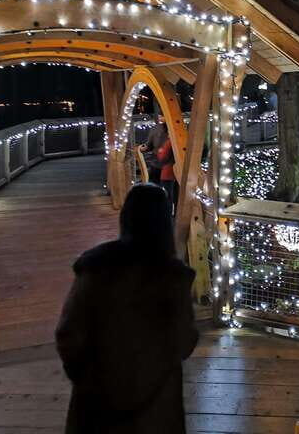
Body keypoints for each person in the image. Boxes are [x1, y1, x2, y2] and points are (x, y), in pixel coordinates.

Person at [56, 184, 198, 433]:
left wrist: (86, 378)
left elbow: (69, 332)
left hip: (96, 405)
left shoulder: (95, 269)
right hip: (156, 409)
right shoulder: (172, 278)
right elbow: (184, 340)